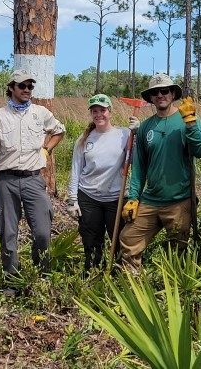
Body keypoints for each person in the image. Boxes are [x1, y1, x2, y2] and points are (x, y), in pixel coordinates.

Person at [0, 69, 66, 295]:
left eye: (30, 86)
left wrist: (46, 150)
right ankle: (12, 280)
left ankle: (41, 275)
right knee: (7, 233)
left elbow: (59, 131)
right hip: (6, 180)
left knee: (43, 232)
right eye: (22, 86)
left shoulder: (40, 113)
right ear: (11, 88)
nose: (27, 90)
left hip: (34, 179)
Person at [119, 73, 201, 271]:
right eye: (155, 92)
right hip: (151, 200)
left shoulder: (188, 118)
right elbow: (139, 166)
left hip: (180, 200)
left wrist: (191, 124)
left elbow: (200, 150)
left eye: (164, 91)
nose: (160, 95)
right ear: (150, 97)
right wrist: (133, 197)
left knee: (178, 248)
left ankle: (174, 287)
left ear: (173, 93)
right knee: (129, 238)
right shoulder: (146, 127)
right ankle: (131, 283)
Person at [67, 94, 139, 272]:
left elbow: (135, 161)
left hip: (116, 197)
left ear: (110, 112)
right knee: (91, 240)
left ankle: (116, 274)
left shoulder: (123, 134)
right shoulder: (83, 140)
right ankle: (92, 272)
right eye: (95, 111)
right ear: (91, 114)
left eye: (103, 110)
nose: (99, 114)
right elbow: (76, 170)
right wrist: (72, 200)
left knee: (118, 239)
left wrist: (137, 134)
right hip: (89, 197)